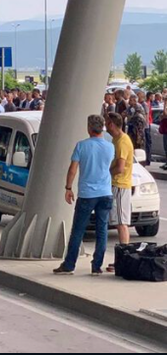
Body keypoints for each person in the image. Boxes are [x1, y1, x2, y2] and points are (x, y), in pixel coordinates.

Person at [55, 115, 115, 276]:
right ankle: (96, 266)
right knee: (102, 230)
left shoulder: (81, 146)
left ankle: (69, 265)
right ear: (102, 127)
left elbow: (73, 169)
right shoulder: (110, 147)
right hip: (105, 193)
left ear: (89, 128)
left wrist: (68, 187)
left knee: (78, 230)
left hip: (87, 194)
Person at [105, 112, 133, 272]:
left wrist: (106, 174)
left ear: (111, 124)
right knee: (118, 222)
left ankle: (123, 259)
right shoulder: (117, 140)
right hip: (117, 185)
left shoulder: (122, 142)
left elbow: (120, 167)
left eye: (107, 123)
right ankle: (122, 259)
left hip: (120, 185)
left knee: (122, 223)